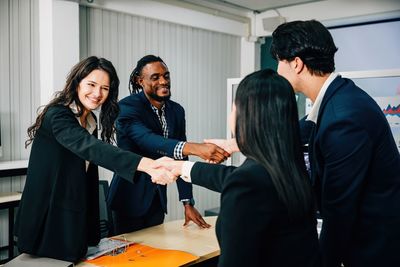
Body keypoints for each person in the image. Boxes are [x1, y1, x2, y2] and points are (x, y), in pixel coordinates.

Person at [14, 56, 176, 263]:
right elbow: (93, 149)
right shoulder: (58, 115)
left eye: (105, 88)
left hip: (72, 214)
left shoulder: (89, 120)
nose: (97, 94)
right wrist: (148, 165)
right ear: (77, 83)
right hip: (48, 216)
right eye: (91, 84)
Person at [269, 20, 400, 267]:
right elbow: (304, 129)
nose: (277, 71)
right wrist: (239, 144)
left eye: (279, 61)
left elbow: (338, 212)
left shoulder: (343, 116)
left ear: (296, 63)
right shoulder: (339, 98)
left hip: (374, 251)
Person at [162, 69, 321, 267]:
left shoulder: (248, 183)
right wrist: (182, 167)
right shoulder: (292, 170)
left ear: (245, 114)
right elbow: (239, 177)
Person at [107, 55, 229, 234]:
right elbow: (148, 140)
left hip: (157, 199)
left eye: (166, 76)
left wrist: (187, 202)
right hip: (128, 200)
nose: (163, 81)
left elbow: (180, 156)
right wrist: (196, 148)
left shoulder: (177, 110)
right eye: (155, 77)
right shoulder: (127, 107)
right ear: (140, 81)